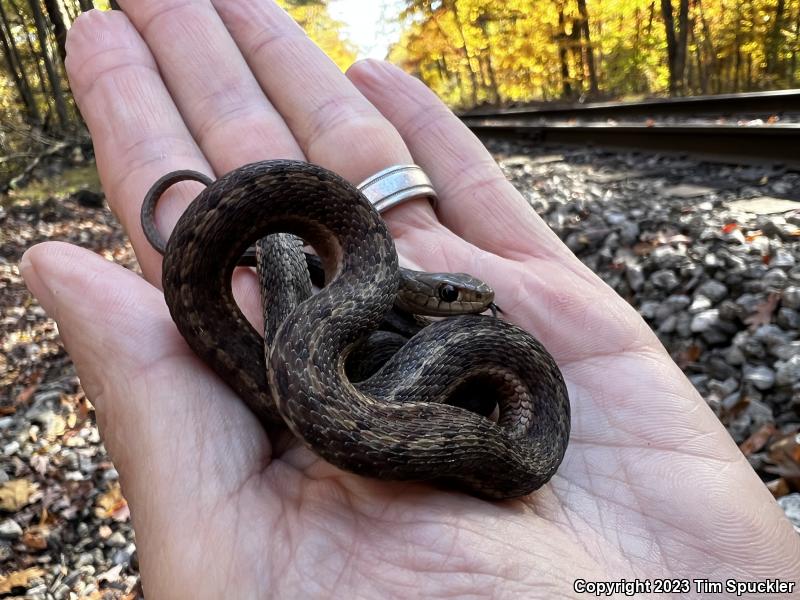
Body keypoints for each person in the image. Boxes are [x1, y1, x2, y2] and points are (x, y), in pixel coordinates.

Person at [20, 2, 799, 598]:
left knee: (347, 352)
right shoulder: (354, 278)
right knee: (311, 312)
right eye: (455, 296)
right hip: (337, 323)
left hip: (421, 401)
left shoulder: (382, 314)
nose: (472, 302)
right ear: (414, 291)